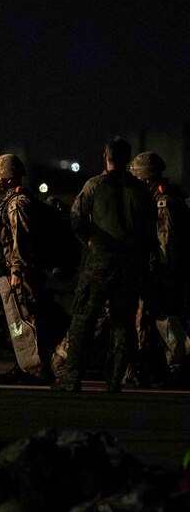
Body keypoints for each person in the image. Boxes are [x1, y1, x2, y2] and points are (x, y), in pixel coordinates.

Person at [63, 138, 154, 392]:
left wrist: (90, 241)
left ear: (106, 155)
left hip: (99, 263)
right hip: (128, 264)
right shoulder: (140, 190)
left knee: (83, 319)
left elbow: (76, 217)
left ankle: (72, 378)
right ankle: (114, 381)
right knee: (123, 323)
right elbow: (149, 230)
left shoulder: (95, 185)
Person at [0, 153, 67, 386]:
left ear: (8, 179)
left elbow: (20, 242)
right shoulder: (20, 201)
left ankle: (33, 369)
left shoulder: (17, 204)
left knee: (24, 320)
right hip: (25, 272)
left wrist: (15, 271)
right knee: (25, 320)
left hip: (22, 274)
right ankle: (26, 365)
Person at [127, 151, 190, 385]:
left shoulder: (163, 203)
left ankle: (179, 366)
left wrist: (161, 274)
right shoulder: (164, 199)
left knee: (168, 321)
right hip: (166, 274)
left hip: (166, 275)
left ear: (146, 179)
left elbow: (165, 244)